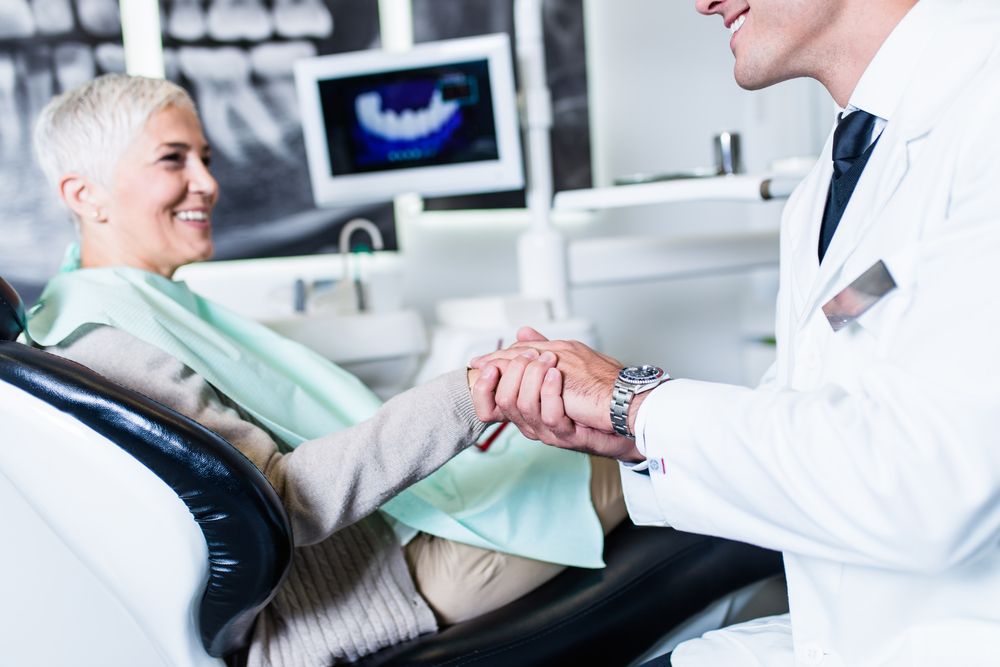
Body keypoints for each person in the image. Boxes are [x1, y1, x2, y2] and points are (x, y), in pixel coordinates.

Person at [26, 73, 625, 667]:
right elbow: (282, 498)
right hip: (384, 582)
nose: (206, 183)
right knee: (650, 443)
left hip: (385, 543)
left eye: (204, 158)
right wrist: (469, 394)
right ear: (85, 195)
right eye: (172, 160)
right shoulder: (107, 339)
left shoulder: (109, 305)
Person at [470, 0, 1000, 665]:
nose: (702, 2)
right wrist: (628, 430)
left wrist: (637, 401)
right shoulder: (824, 192)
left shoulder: (986, 114)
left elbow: (931, 484)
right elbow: (808, 419)